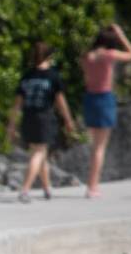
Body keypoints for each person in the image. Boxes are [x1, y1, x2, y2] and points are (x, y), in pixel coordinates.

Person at [6, 41, 78, 203]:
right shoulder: (53, 76)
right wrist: (68, 120)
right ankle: (25, 190)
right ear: (50, 56)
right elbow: (61, 102)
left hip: (28, 117)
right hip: (44, 117)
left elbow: (17, 104)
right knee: (38, 152)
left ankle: (47, 188)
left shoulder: (27, 75)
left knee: (40, 152)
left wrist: (11, 125)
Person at [82, 23, 131, 199]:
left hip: (90, 98)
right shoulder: (109, 55)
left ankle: (91, 183)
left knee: (93, 145)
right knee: (100, 147)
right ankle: (93, 186)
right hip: (104, 98)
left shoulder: (88, 56)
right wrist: (121, 35)